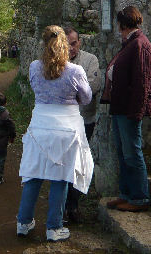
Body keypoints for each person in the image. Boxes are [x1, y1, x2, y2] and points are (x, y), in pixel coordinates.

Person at [17, 25, 94, 242]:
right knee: (61, 177)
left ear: (44, 44)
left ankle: (23, 222)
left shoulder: (34, 67)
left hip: (40, 125)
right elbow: (86, 98)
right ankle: (54, 227)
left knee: (33, 174)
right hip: (66, 128)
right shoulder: (75, 71)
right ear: (65, 45)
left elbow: (34, 87)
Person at [104, 6, 151, 212]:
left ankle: (140, 198)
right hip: (121, 108)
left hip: (129, 110)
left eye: (119, 25)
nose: (118, 29)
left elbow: (142, 81)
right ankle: (126, 194)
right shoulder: (131, 43)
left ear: (123, 24)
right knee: (123, 152)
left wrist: (137, 111)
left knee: (132, 153)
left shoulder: (140, 44)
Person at [62, 25, 100, 223]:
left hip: (85, 120)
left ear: (80, 42)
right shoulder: (56, 62)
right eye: (67, 44)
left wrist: (66, 95)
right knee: (63, 164)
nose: (71, 48)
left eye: (74, 43)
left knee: (78, 165)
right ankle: (64, 207)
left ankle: (72, 205)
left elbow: (93, 86)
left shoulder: (90, 60)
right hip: (63, 123)